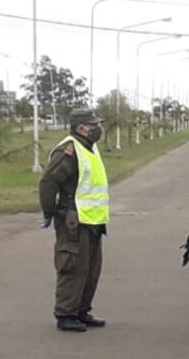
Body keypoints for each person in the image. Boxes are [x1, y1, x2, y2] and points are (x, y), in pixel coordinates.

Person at [39, 108, 109, 333]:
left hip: (94, 220)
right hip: (73, 219)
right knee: (72, 267)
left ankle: (81, 310)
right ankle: (66, 313)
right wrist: (50, 212)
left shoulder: (90, 148)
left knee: (91, 269)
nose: (97, 128)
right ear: (81, 127)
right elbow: (48, 182)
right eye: (93, 124)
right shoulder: (68, 150)